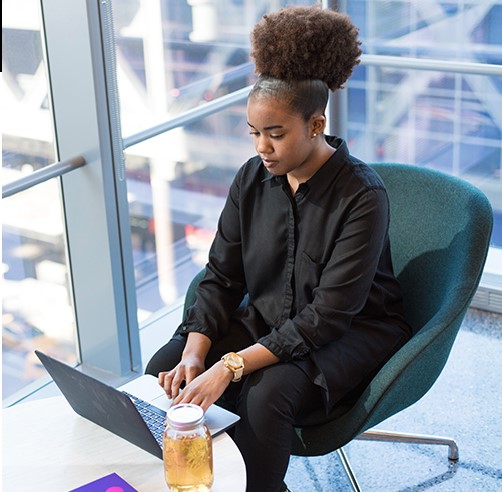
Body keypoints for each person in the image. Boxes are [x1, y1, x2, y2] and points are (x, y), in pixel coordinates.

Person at [146, 5, 412, 491]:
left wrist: (229, 366)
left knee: (267, 396)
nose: (262, 148)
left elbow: (328, 316)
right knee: (163, 371)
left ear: (315, 125)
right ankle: (195, 478)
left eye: (275, 134)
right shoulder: (252, 179)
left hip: (350, 329)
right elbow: (222, 276)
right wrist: (195, 351)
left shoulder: (362, 197)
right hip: (271, 316)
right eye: (254, 133)